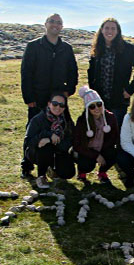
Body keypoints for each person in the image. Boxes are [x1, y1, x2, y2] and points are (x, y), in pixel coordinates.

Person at [20, 13, 78, 178]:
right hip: (37, 98)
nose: (55, 25)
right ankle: (27, 165)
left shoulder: (66, 48)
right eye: (52, 22)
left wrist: (69, 90)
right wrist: (29, 98)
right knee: (32, 131)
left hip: (59, 100)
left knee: (63, 128)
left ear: (62, 27)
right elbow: (26, 73)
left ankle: (56, 162)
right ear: (45, 24)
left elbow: (73, 71)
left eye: (59, 23)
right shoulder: (34, 46)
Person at [88, 18, 134, 128]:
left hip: (118, 98)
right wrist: (92, 92)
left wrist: (130, 90)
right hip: (99, 98)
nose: (109, 31)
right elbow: (91, 72)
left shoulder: (128, 49)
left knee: (117, 130)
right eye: (106, 28)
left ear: (118, 31)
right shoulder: (97, 48)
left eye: (113, 28)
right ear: (101, 30)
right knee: (100, 129)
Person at [23, 92, 75, 189]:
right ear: (49, 104)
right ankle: (41, 176)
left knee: (68, 173)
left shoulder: (67, 121)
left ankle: (52, 169)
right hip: (37, 153)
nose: (58, 107)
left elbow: (70, 141)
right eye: (55, 104)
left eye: (62, 105)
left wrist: (52, 140)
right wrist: (47, 135)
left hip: (59, 151)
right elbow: (28, 141)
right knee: (45, 148)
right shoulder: (37, 119)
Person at [73, 86, 119, 184]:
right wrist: (95, 155)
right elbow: (77, 145)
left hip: (103, 147)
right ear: (87, 108)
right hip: (87, 149)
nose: (97, 108)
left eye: (99, 104)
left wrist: (103, 151)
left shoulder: (110, 117)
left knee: (114, 153)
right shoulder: (82, 121)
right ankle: (82, 172)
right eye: (92, 106)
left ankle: (102, 172)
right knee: (86, 165)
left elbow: (114, 137)